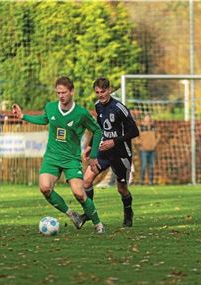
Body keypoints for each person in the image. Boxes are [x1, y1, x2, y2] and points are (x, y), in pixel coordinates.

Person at [11, 76, 105, 234]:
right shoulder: (50, 107)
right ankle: (71, 214)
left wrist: (94, 154)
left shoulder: (81, 113)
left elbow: (97, 130)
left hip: (71, 159)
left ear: (72, 92)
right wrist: (23, 116)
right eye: (58, 93)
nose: (61, 96)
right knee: (45, 188)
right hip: (52, 157)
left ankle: (98, 224)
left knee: (79, 193)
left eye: (64, 92)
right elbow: (44, 119)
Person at [82, 77, 139, 228]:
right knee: (86, 181)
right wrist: (89, 145)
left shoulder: (119, 108)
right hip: (103, 152)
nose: (100, 95)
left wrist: (114, 141)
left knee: (122, 188)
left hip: (121, 153)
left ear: (109, 90)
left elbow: (134, 131)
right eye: (97, 92)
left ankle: (128, 212)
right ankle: (89, 213)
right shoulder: (98, 106)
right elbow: (99, 129)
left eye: (103, 92)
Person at [138, 113, 160, 185]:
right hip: (143, 150)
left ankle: (151, 182)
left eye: (149, 119)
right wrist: (140, 144)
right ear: (143, 119)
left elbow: (158, 136)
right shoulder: (140, 128)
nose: (147, 120)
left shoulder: (153, 127)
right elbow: (135, 138)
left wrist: (155, 144)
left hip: (152, 150)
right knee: (143, 166)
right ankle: (142, 181)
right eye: (146, 119)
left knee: (151, 166)